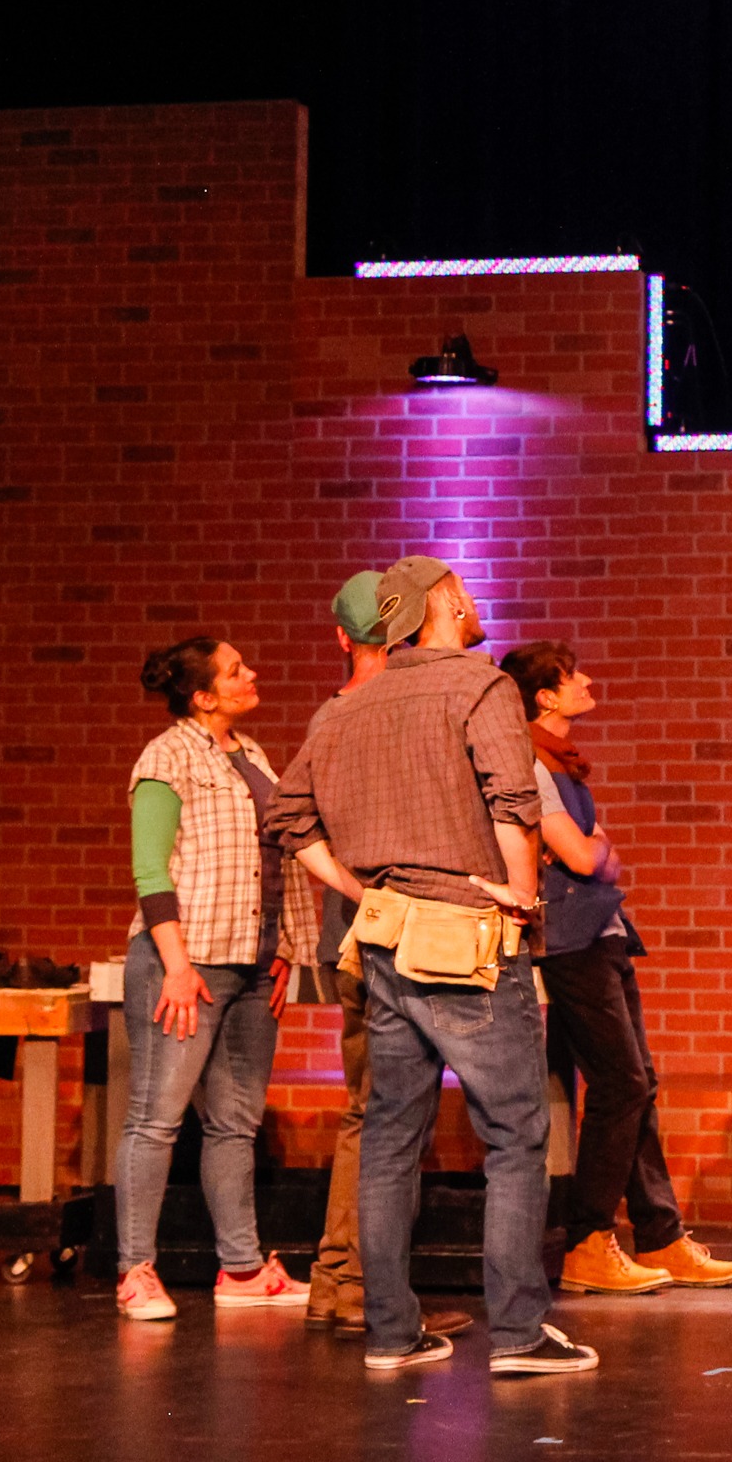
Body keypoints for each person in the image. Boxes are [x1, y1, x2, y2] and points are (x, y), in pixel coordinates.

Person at [267, 555, 597, 1377]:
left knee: (388, 1135)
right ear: (443, 603)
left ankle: (390, 1331)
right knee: (516, 1134)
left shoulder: (346, 705)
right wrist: (521, 894)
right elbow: (513, 798)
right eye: (463, 590)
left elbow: (289, 815)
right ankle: (518, 1334)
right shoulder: (481, 686)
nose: (474, 600)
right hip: (466, 932)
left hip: (384, 936)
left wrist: (358, 887)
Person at [504, 639, 732, 1297]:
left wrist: (595, 850)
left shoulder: (564, 764)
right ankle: (587, 1240)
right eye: (571, 676)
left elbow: (595, 851)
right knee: (621, 1083)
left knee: (639, 1083)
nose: (586, 680)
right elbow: (585, 857)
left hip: (602, 934)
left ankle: (660, 1234)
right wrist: (594, 850)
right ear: (545, 697)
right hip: (568, 942)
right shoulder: (529, 763)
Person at [294, 571, 468, 1340]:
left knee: (373, 1113)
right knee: (387, 1118)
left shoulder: (337, 713)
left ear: (343, 637)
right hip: (388, 938)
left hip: (367, 936)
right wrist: (364, 890)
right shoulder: (382, 712)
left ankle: (343, 1281)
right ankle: (357, 1285)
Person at [114, 635, 309, 1320]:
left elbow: (276, 858)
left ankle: (243, 1269)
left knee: (234, 1123)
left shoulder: (251, 754)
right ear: (201, 696)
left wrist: (284, 948)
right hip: (187, 963)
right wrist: (174, 964)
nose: (251, 674)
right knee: (156, 1118)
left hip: (253, 964)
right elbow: (150, 869)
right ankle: (135, 1271)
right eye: (234, 671)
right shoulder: (166, 757)